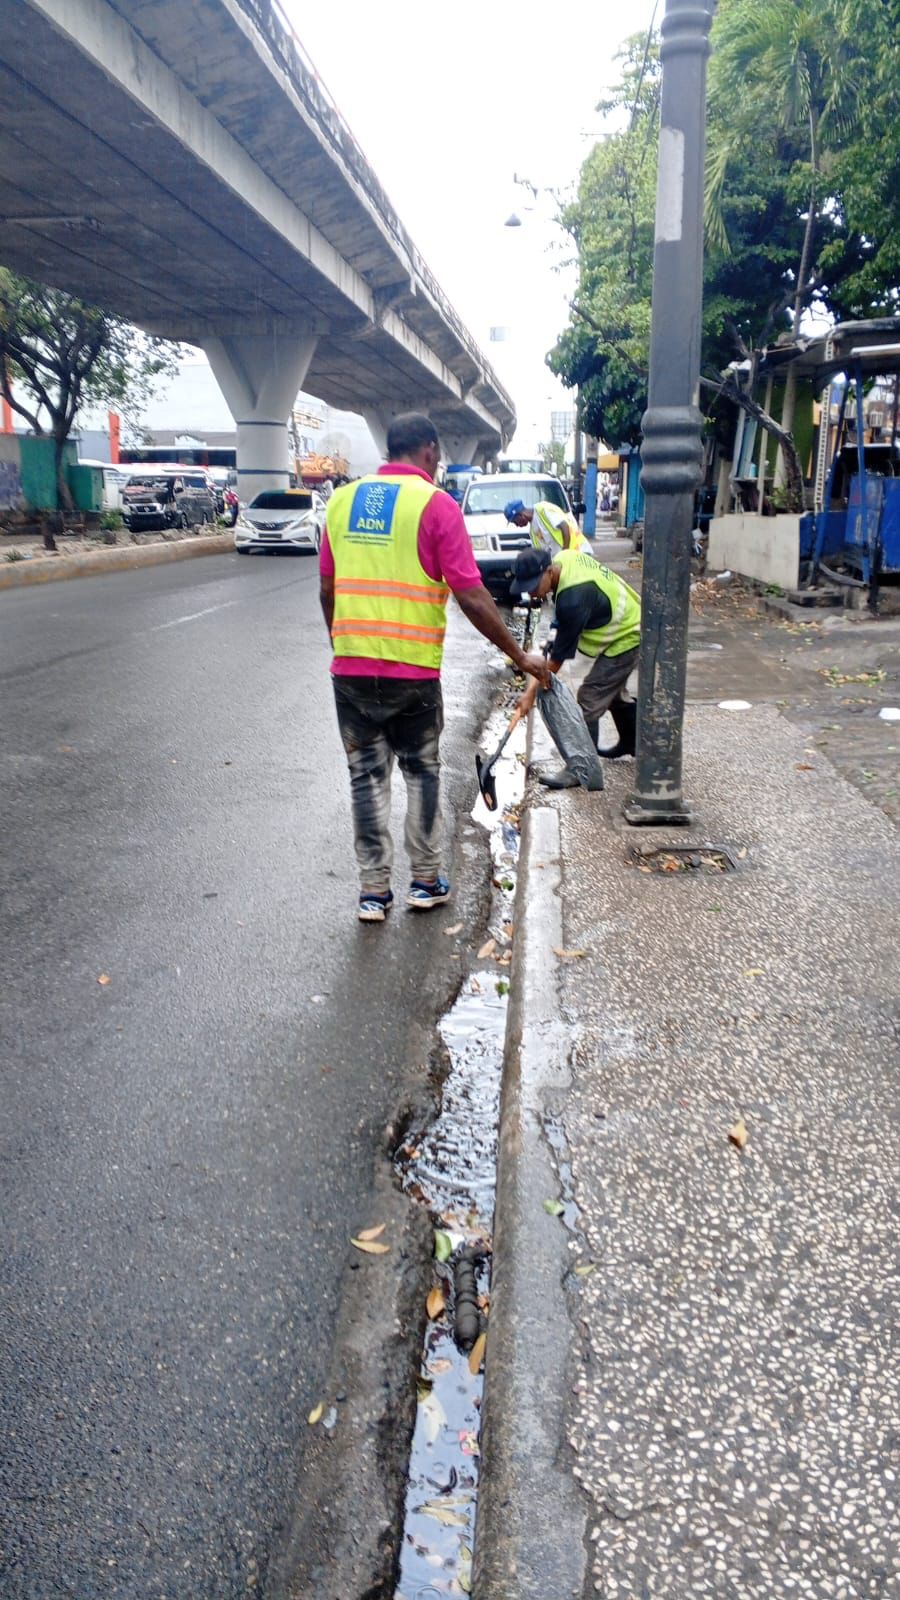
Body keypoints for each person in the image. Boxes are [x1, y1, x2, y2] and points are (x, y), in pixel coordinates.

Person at [320, 413, 551, 922]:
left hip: (352, 671)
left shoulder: (339, 502)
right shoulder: (436, 505)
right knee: (421, 772)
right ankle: (425, 881)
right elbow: (470, 595)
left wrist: (342, 644)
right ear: (427, 450)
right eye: (439, 453)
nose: (440, 461)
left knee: (365, 778)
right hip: (412, 674)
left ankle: (373, 893)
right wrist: (519, 656)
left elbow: (328, 590)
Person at [510, 546, 641, 788]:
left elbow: (555, 663)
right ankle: (633, 742)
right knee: (612, 693)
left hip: (628, 635)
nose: (530, 592)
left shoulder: (574, 599)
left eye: (533, 585)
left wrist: (530, 694)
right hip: (628, 620)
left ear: (549, 572)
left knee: (590, 698)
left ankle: (582, 770)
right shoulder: (564, 558)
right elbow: (556, 634)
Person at [504, 497, 590, 555]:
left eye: (515, 522)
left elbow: (565, 527)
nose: (517, 526)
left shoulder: (543, 509)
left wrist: (565, 555)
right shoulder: (533, 532)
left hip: (579, 551)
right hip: (566, 560)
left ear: (521, 515)